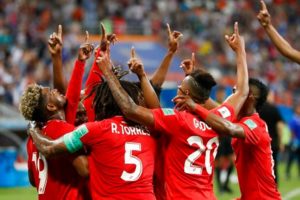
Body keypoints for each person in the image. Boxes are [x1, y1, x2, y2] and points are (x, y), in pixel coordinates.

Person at [95, 22, 248, 199]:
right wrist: (240, 51)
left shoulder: (177, 120)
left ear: (186, 94)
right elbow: (242, 92)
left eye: (180, 87)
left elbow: (131, 109)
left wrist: (108, 73)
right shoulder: (218, 117)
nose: (177, 89)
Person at [28, 79, 157, 200]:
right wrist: (141, 75)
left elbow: (42, 162)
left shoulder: (96, 130)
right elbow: (156, 109)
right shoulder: (148, 130)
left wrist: (33, 130)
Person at [175, 78, 282, 200]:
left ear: (249, 96)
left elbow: (228, 128)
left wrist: (195, 107)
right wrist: (194, 84)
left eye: (236, 92)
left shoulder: (255, 125)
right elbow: (218, 111)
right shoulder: (243, 120)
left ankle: (223, 185)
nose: (233, 97)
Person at [19, 30, 94, 200]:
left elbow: (33, 180)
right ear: (51, 106)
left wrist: (57, 57)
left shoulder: (33, 138)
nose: (55, 90)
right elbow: (85, 168)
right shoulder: (63, 129)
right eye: (50, 91)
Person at [258, 90, 285, 184]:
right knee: (274, 164)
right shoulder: (274, 109)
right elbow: (280, 126)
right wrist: (281, 142)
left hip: (260, 142)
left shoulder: (258, 109)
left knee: (261, 165)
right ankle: (274, 184)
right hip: (273, 142)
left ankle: (262, 183)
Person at [286, 104, 300, 179]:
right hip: (294, 142)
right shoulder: (293, 119)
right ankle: (287, 172)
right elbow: (291, 131)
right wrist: (293, 141)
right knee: (291, 158)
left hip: (299, 141)